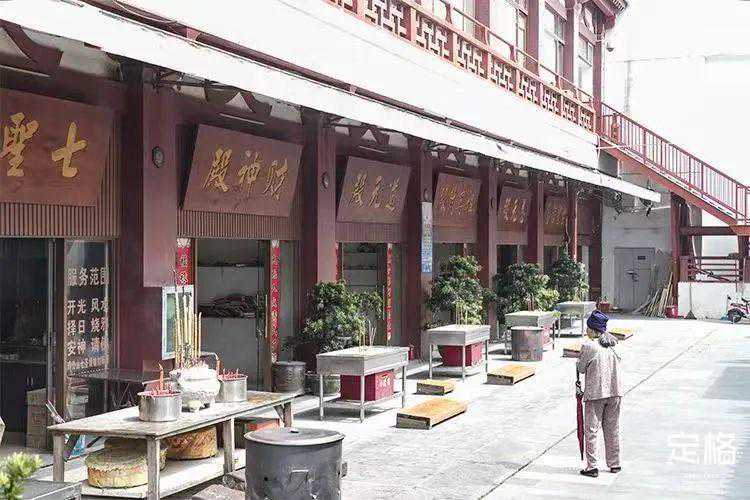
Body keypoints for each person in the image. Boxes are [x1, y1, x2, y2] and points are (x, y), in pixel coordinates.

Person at [577, 310, 622, 478]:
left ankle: (592, 467)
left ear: (593, 329)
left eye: (587, 327)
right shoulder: (612, 345)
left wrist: (579, 360)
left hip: (596, 393)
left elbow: (581, 368)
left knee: (591, 430)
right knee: (612, 429)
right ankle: (615, 463)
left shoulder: (589, 346)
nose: (586, 330)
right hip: (615, 392)